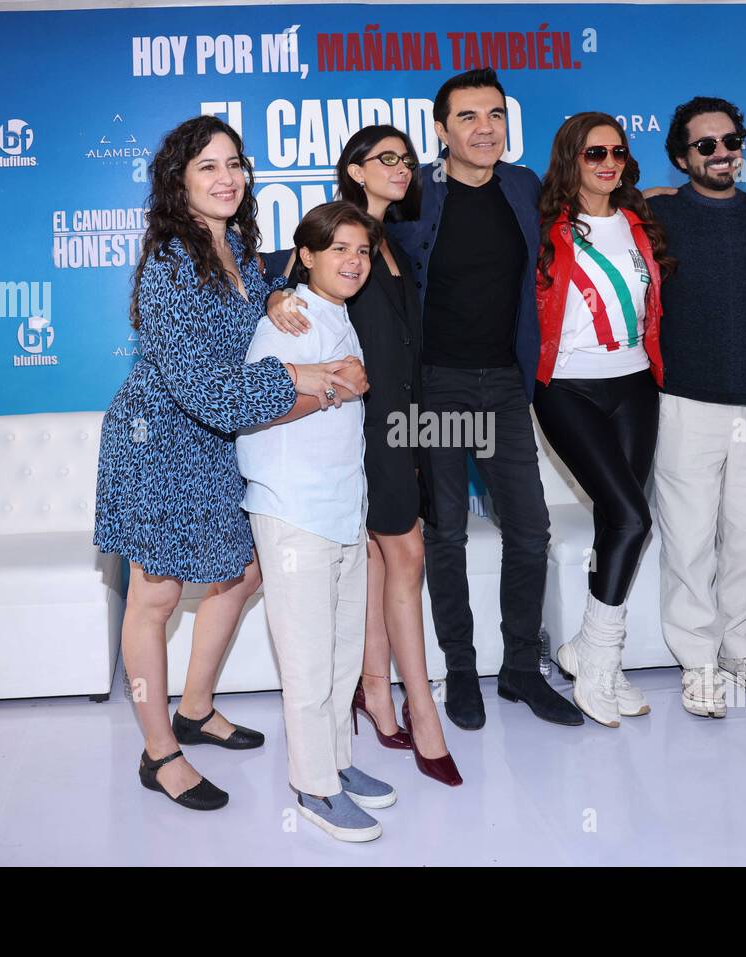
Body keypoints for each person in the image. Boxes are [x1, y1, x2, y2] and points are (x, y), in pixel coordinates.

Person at [93, 116, 367, 811]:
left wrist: (274, 294)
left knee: (242, 572)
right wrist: (311, 379)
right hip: (160, 441)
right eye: (207, 166)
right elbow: (206, 388)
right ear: (178, 183)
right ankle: (160, 752)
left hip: (218, 445)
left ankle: (195, 706)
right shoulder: (170, 263)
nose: (226, 178)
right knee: (154, 597)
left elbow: (256, 317)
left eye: (234, 164)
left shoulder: (239, 249)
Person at [267, 127, 461, 786]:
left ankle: (373, 692)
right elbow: (280, 271)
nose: (402, 168)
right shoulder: (334, 247)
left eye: (408, 160)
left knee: (381, 561)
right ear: (352, 170)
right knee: (404, 554)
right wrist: (274, 292)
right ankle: (421, 708)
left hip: (403, 421)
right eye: (387, 159)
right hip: (361, 421)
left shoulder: (398, 242)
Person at [389, 68, 582, 730]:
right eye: (467, 117)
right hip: (437, 385)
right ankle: (462, 670)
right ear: (440, 130)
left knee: (529, 529)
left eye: (494, 114)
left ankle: (523, 670)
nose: (484, 128)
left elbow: (597, 197)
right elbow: (343, 237)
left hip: (503, 384)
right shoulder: (414, 190)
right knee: (445, 533)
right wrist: (283, 280)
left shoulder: (522, 186)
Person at [239, 201, 399, 841]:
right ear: (305, 256)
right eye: (339, 250)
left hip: (340, 508)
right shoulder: (292, 320)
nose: (354, 262)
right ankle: (312, 786)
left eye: (362, 251)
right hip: (293, 510)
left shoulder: (336, 314)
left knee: (340, 652)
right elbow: (251, 412)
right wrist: (336, 386)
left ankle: (334, 762)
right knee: (307, 657)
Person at [644, 96, 746, 718]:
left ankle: (744, 652)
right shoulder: (655, 213)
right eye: (705, 145)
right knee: (687, 540)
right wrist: (653, 196)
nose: (720, 153)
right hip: (684, 400)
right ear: (682, 156)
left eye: (729, 140)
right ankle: (698, 662)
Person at [532, 112, 670, 727]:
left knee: (622, 520)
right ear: (571, 159)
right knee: (634, 515)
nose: (608, 162)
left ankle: (595, 659)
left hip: (636, 383)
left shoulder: (642, 225)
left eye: (616, 152)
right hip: (565, 386)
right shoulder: (543, 228)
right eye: (593, 153)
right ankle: (596, 660)